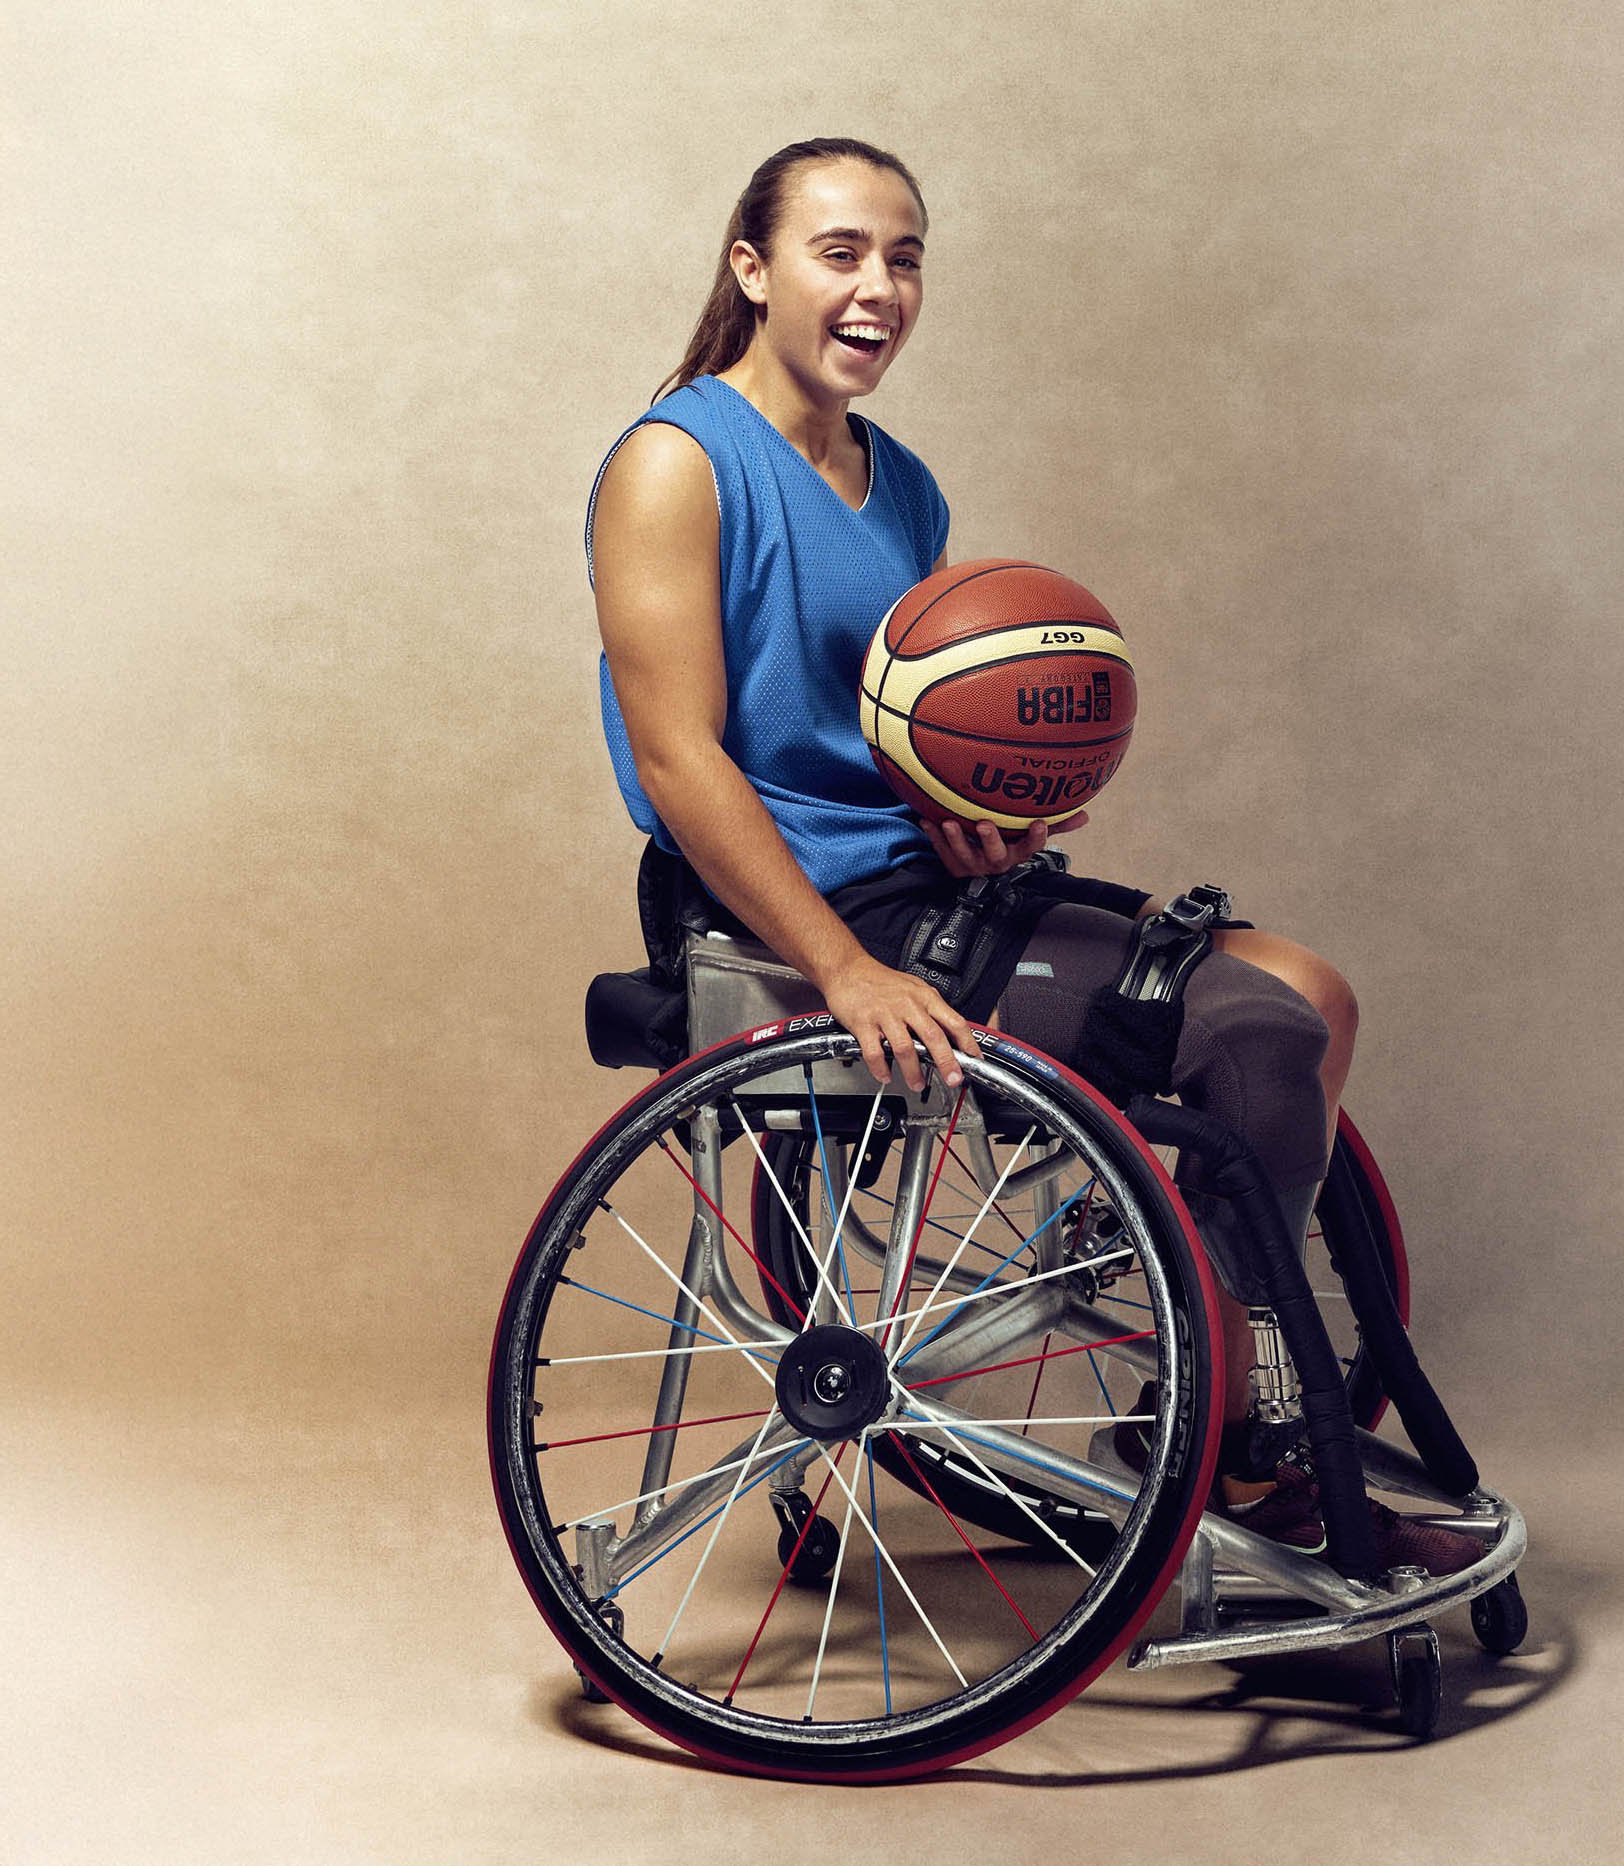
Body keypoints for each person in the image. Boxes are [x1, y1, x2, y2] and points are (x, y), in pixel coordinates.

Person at [585, 137, 1473, 1573]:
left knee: (1317, 993)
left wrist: (972, 802)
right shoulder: (674, 463)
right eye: (839, 251)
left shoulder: (903, 484)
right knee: (1253, 1029)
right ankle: (1246, 1455)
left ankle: (1171, 1335)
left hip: (932, 887)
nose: (879, 285)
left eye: (906, 255)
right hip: (797, 916)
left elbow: (887, 731)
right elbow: (683, 760)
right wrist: (844, 966)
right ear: (750, 269)